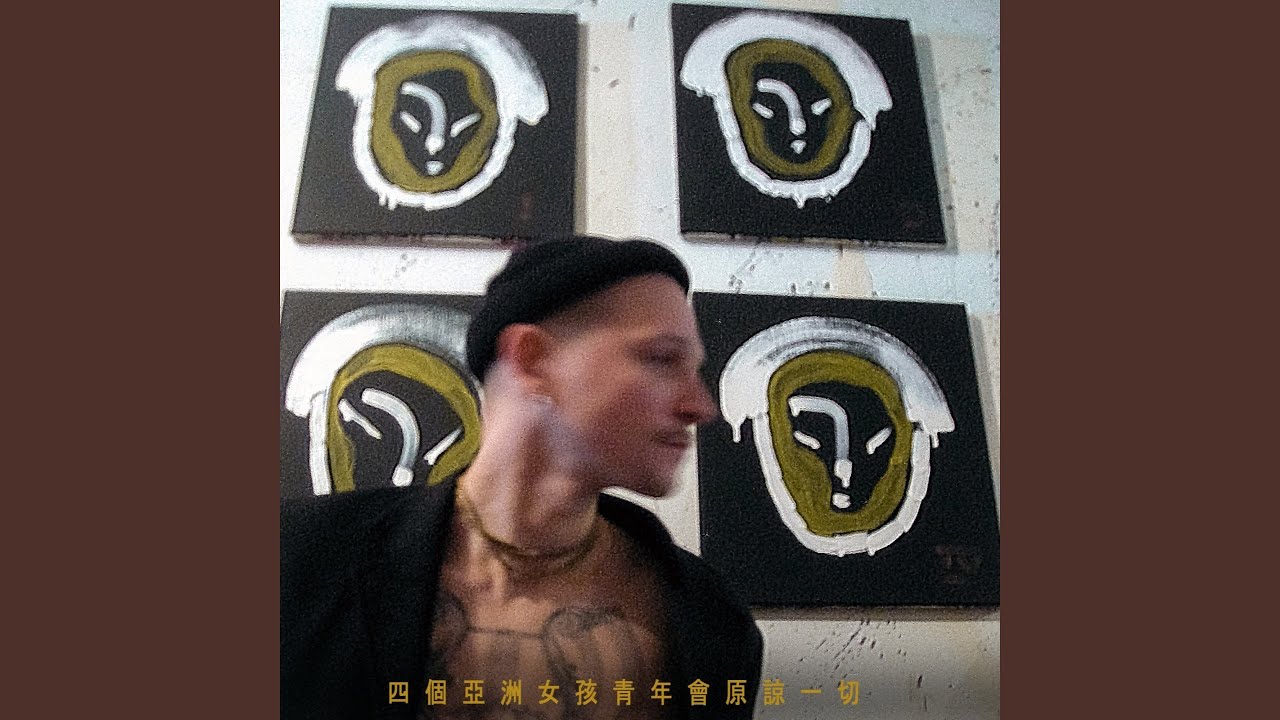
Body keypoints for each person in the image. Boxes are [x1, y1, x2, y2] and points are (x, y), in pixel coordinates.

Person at [282, 236, 764, 719]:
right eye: (661, 359)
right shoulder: (299, 559)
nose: (701, 406)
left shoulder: (713, 624)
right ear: (533, 360)